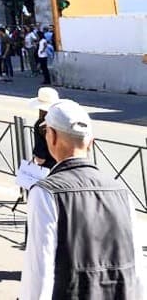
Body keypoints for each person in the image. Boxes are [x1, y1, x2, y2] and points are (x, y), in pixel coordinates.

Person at [20, 99, 145, 299]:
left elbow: (39, 273)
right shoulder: (121, 190)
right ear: (90, 142)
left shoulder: (46, 193)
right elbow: (137, 265)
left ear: (51, 136)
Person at [29, 86, 59, 170]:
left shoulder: (41, 125)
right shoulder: (63, 122)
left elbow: (40, 159)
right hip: (66, 168)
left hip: (49, 170)